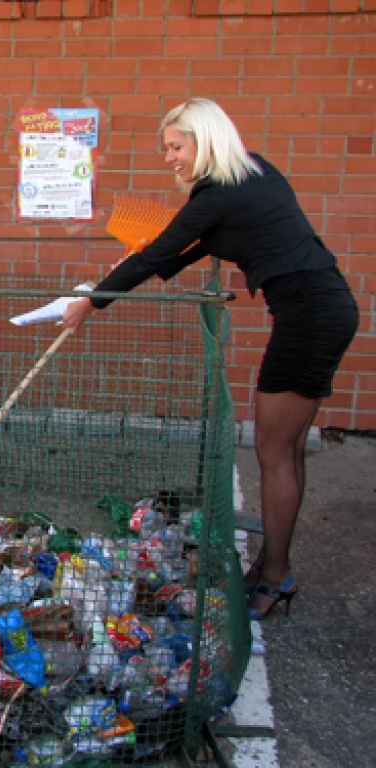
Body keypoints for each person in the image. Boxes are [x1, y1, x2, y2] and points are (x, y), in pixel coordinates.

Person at [62, 98, 358, 621]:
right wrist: (135, 264)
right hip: (325, 307)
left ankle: (275, 577)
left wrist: (90, 302)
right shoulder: (252, 173)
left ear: (205, 139)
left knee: (273, 451)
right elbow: (181, 251)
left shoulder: (218, 193)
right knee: (286, 450)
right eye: (166, 148)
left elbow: (162, 253)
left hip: (308, 316)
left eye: (176, 146)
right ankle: (271, 565)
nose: (169, 157)